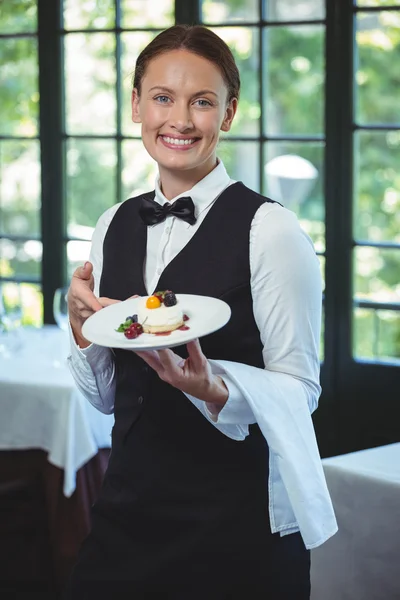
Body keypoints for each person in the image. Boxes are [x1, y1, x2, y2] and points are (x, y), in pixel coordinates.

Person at [65, 24, 337, 600]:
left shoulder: (273, 231)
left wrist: (215, 388)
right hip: (126, 513)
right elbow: (108, 398)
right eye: (162, 97)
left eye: (202, 101)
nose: (180, 120)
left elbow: (303, 390)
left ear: (229, 113)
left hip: (235, 526)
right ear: (136, 103)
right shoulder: (112, 224)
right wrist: (83, 332)